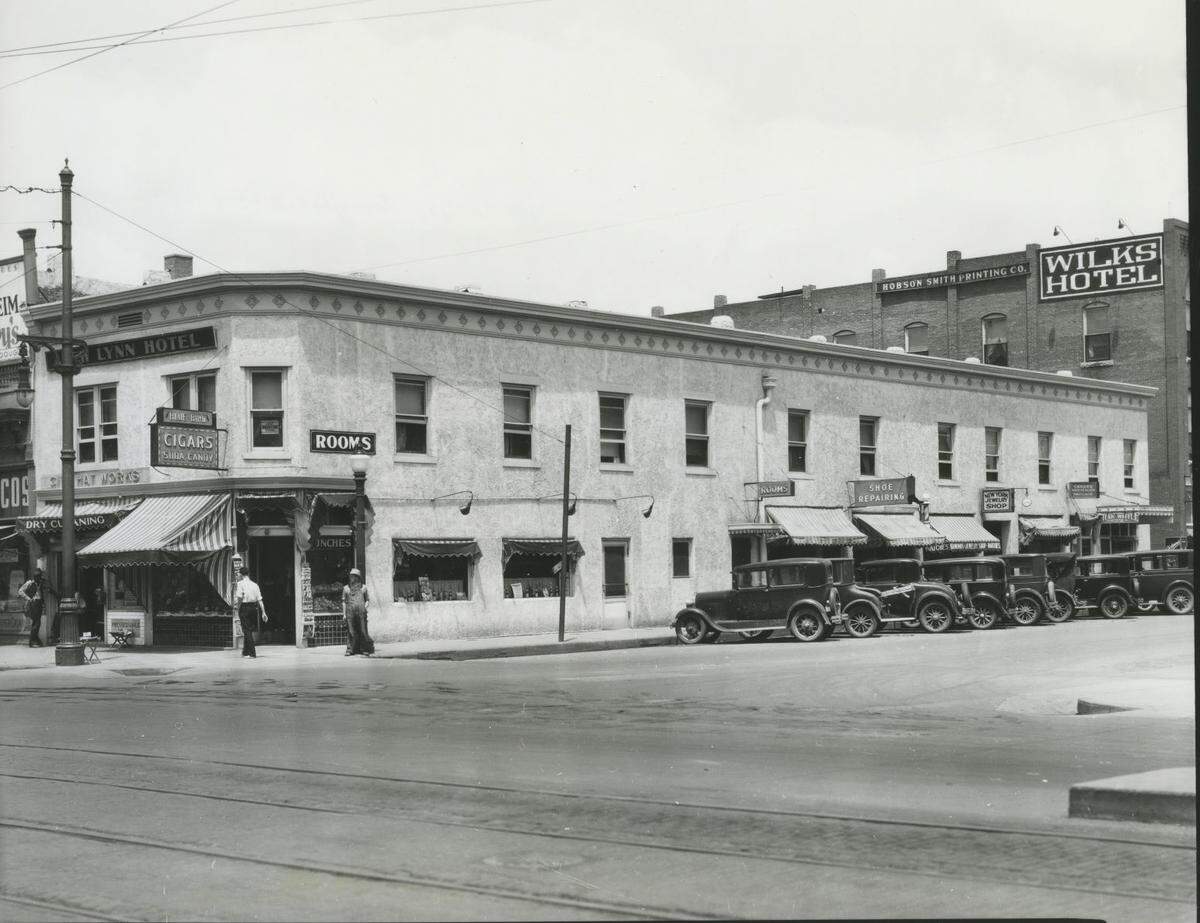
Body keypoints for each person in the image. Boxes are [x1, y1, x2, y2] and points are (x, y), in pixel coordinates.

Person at [233, 564, 268, 658]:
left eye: (239, 574)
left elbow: (239, 597)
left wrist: (237, 608)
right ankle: (245, 652)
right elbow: (260, 600)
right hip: (253, 608)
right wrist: (263, 612)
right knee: (248, 629)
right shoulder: (255, 585)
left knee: (247, 630)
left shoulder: (240, 584)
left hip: (244, 607)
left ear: (241, 574)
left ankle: (252, 653)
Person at [18, 569, 55, 648]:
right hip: (33, 603)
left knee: (37, 622)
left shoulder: (41, 583)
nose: (38, 578)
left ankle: (36, 639)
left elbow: (48, 586)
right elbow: (20, 591)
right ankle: (32, 641)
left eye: (39, 577)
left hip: (39, 603)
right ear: (34, 577)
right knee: (37, 622)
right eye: (37, 577)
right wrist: (28, 598)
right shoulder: (30, 583)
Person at [342, 568, 374, 656]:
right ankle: (350, 649)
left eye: (353, 576)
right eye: (351, 576)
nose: (351, 578)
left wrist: (365, 607)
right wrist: (344, 614)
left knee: (363, 631)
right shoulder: (346, 588)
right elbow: (344, 602)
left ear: (358, 577)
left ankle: (364, 649)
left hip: (361, 613)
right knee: (351, 631)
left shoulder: (364, 588)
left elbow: (367, 600)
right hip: (350, 612)